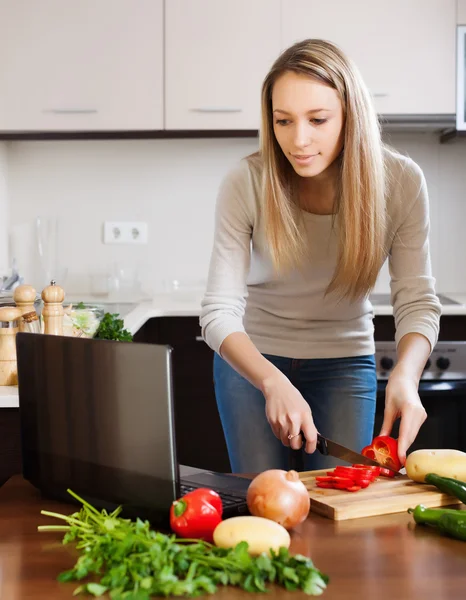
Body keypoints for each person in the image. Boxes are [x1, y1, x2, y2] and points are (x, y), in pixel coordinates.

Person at [199, 39, 441, 474]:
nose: (299, 140)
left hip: (345, 365)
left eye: (318, 119)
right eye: (283, 121)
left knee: (341, 514)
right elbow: (218, 313)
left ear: (351, 116)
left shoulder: (401, 182)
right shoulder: (246, 182)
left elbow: (417, 301)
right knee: (265, 504)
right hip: (253, 365)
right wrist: (271, 381)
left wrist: (406, 376)